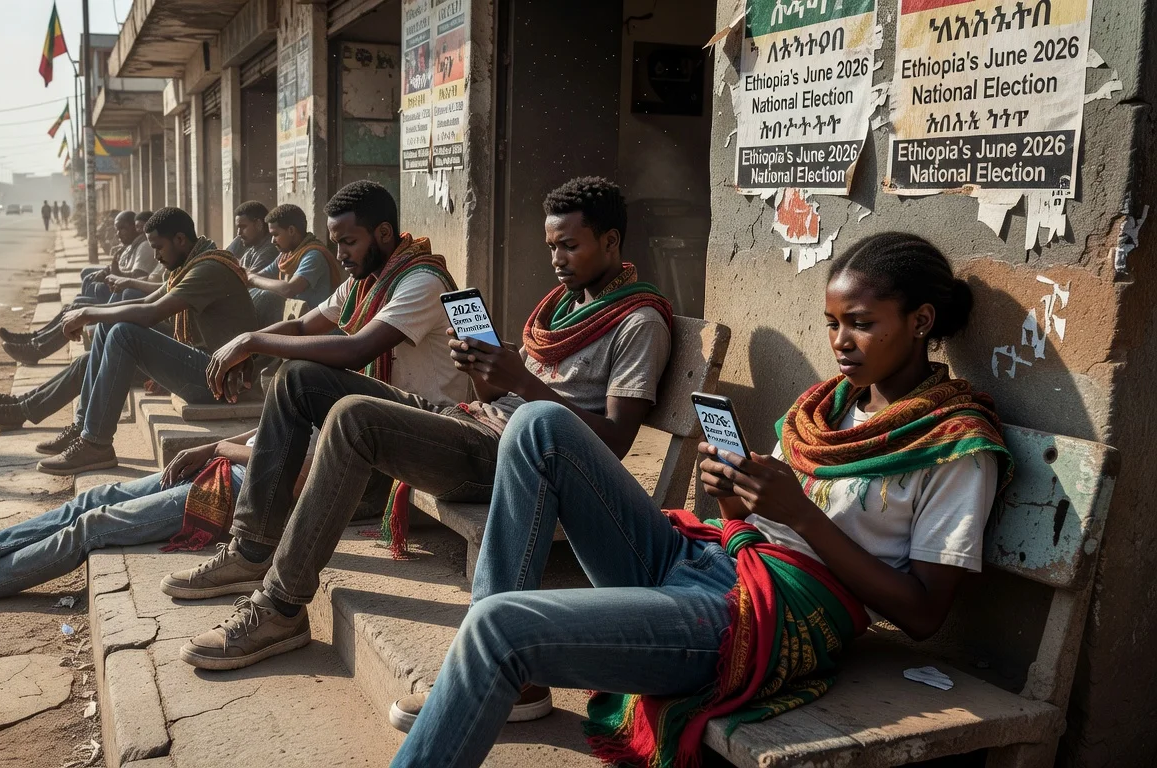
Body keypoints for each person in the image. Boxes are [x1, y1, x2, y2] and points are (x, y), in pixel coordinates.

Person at [386, 232, 1013, 767]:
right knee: (535, 424)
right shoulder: (826, 408)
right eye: (832, 324)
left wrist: (799, 514)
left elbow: (924, 614)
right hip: (713, 561)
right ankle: (501, 680)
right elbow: (755, 525)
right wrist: (736, 498)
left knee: (498, 628)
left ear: (920, 322)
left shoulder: (956, 445)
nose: (841, 342)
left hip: (762, 619)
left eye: (862, 324)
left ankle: (489, 666)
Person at [167, 177, 675, 675]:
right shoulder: (566, 305)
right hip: (470, 421)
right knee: (298, 377)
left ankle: (280, 607)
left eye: (570, 246)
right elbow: (495, 399)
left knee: (354, 417)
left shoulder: (638, 322)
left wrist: (521, 379)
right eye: (551, 247)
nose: (557, 259)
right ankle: (251, 548)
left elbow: (613, 442)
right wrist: (485, 370)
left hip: (514, 457)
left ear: (611, 241)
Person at [0, 427, 314, 611]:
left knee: (94, 525)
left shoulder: (342, 405)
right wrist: (211, 447)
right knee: (95, 497)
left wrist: (219, 449)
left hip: (235, 495)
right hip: (219, 470)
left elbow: (303, 476)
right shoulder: (311, 382)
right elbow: (265, 431)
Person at [35, 207, 258, 475]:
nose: (156, 256)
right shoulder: (192, 263)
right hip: (207, 367)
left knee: (123, 334)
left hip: (219, 381)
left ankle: (95, 444)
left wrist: (87, 314)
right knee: (108, 326)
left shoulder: (207, 269)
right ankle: (84, 429)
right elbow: (145, 301)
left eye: (158, 247)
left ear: (179, 239)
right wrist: (90, 314)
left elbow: (151, 313)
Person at [0, 210, 158, 366]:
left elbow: (139, 282)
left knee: (78, 310)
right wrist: (112, 272)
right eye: (138, 228)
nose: (140, 232)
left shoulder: (145, 247)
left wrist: (117, 274)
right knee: (72, 307)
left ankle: (35, 350)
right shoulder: (138, 246)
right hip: (123, 299)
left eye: (138, 228)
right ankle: (32, 340)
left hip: (127, 303)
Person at [244, 203, 342, 309]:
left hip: (315, 317)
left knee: (265, 296)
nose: (272, 241)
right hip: (295, 316)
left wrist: (252, 279)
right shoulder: (286, 256)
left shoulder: (314, 256)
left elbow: (289, 289)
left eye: (275, 235)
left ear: (291, 230)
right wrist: (247, 276)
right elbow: (262, 275)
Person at [231, 200, 284, 326]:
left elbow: (243, 281)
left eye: (243, 227)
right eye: (238, 228)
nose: (239, 233)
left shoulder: (271, 249)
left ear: (259, 225)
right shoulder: (250, 247)